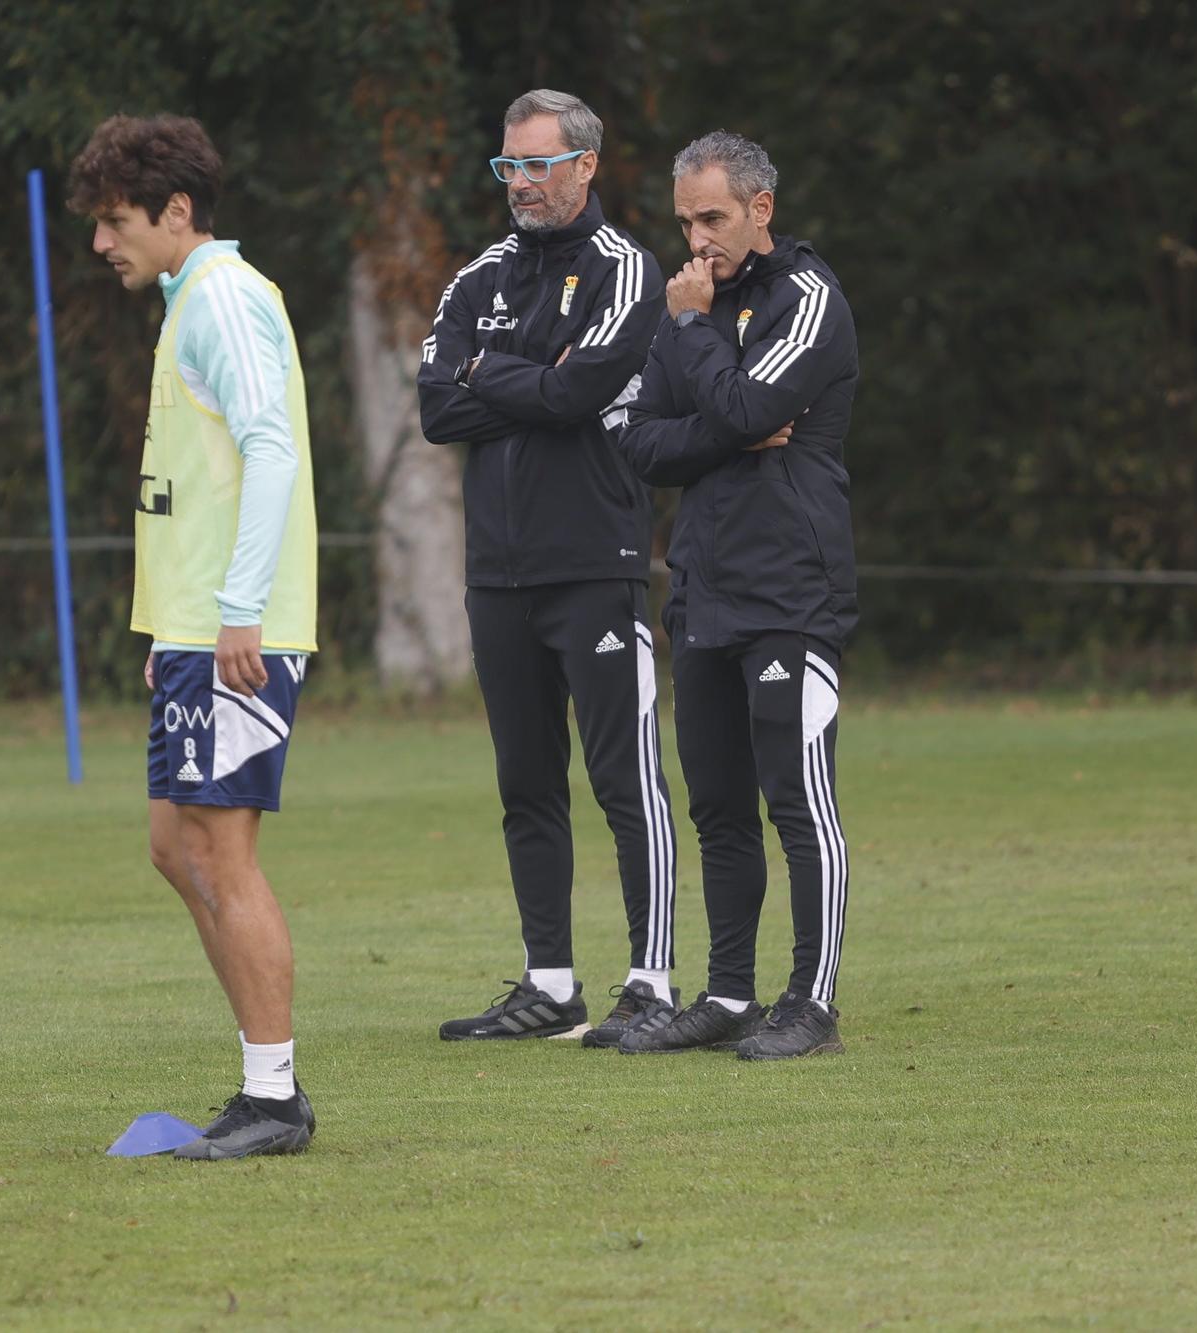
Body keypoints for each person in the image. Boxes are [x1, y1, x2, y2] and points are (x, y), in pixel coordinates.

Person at [69, 114, 320, 1154]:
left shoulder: (221, 298)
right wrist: (175, 623)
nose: (99, 243)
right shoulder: (190, 301)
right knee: (176, 848)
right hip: (196, 631)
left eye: (115, 220)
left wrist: (237, 612)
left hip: (238, 633)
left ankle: (272, 1098)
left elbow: (268, 449)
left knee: (221, 850)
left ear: (177, 213)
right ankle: (261, 1083)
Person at [416, 89, 681, 1049]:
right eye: (508, 166)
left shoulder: (627, 269)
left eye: (536, 164)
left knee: (625, 778)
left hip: (596, 563)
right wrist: (521, 378)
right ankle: (549, 983)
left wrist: (495, 373)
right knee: (527, 782)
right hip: (498, 571)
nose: (520, 183)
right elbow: (437, 407)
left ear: (584, 166)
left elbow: (581, 393)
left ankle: (650, 981)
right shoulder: (475, 277)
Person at [613, 130, 858, 1060]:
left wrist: (696, 346)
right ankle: (726, 994)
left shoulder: (807, 298)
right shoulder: (688, 303)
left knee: (798, 797)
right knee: (716, 804)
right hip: (705, 589)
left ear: (761, 209)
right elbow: (635, 436)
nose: (697, 239)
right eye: (683, 221)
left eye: (712, 217)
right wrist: (729, 422)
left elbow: (752, 410)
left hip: (794, 588)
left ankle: (814, 1001)